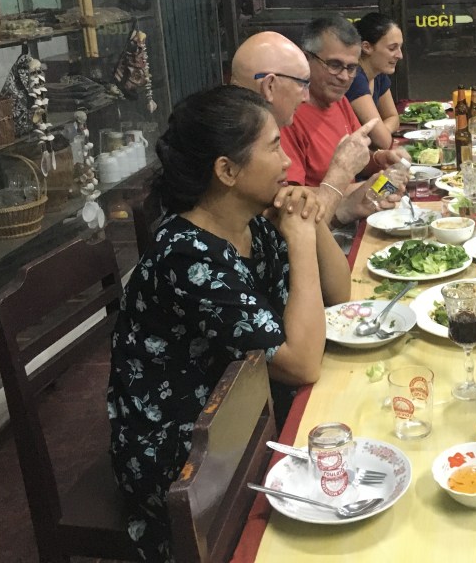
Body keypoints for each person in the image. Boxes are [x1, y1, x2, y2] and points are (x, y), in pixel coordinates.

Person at [108, 86, 350, 562]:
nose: (287, 162)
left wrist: (311, 218)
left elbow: (339, 295)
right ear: (227, 170)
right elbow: (302, 363)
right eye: (274, 148)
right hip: (186, 452)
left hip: (247, 409)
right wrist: (300, 241)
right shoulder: (187, 255)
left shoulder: (249, 223)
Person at [230, 30, 385, 227]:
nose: (305, 97)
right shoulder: (243, 141)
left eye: (352, 68)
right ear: (269, 86)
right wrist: (341, 172)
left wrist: (350, 206)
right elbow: (293, 224)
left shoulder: (258, 126)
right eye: (302, 84)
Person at [281, 15, 408, 197]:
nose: (344, 77)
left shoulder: (340, 101)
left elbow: (356, 161)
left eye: (351, 68)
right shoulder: (287, 116)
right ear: (306, 59)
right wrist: (359, 190)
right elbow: (290, 197)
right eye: (334, 65)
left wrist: (380, 159)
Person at [346, 12, 404, 150]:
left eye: (400, 47)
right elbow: (382, 141)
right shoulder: (355, 79)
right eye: (392, 48)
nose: (400, 55)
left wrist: (383, 130)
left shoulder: (378, 73)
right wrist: (381, 133)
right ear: (367, 47)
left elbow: (393, 117)